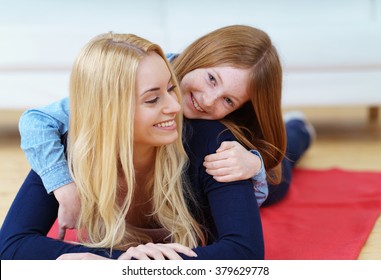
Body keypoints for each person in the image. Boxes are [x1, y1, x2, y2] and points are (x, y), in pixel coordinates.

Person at [0, 32, 264, 260]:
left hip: (246, 167)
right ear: (109, 111)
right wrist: (120, 259)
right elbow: (10, 246)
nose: (175, 107)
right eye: (152, 100)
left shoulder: (215, 143)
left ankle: (294, 130)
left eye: (172, 89)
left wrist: (134, 264)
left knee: (278, 176)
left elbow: (245, 252)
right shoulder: (67, 150)